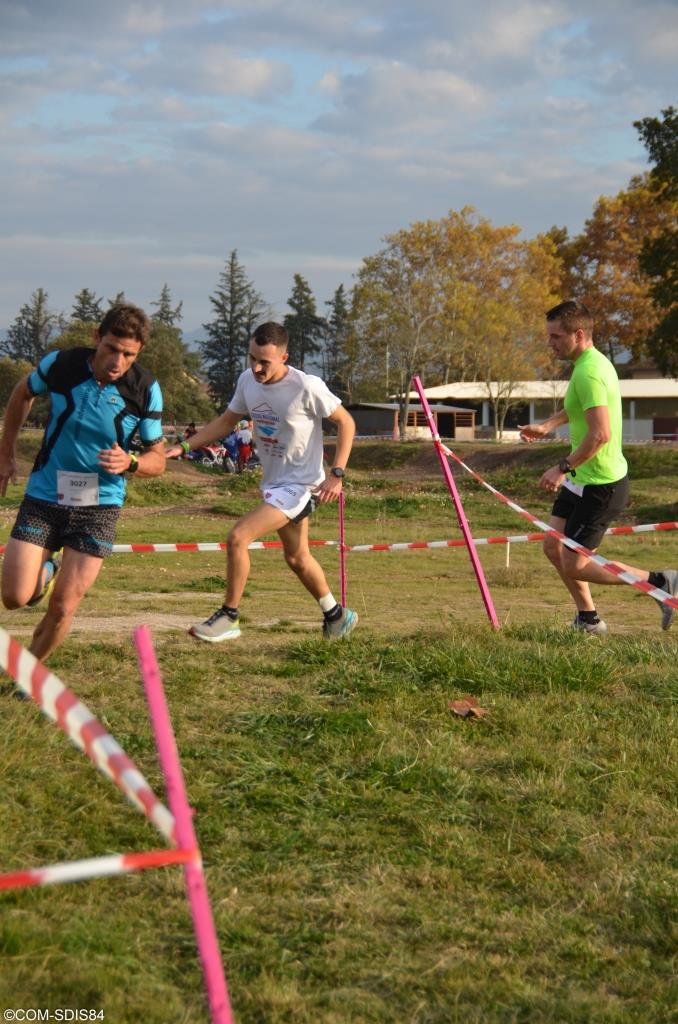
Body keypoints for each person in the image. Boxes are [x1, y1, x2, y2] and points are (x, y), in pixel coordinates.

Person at [166, 320, 358, 641]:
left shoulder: (307, 387)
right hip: (275, 484)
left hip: (301, 487)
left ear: (284, 357)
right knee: (297, 557)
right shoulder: (247, 381)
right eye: (252, 358)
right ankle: (336, 615)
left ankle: (229, 617)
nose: (256, 367)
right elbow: (227, 421)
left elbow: (346, 423)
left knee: (238, 537)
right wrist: (184, 446)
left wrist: (337, 474)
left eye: (264, 361)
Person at [0, 303, 166, 661]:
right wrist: (6, 453)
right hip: (44, 496)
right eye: (111, 349)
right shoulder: (63, 364)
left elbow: (158, 459)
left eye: (128, 354)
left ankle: (29, 676)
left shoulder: (145, 389)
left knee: (63, 606)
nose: (118, 361)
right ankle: (46, 570)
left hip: (99, 506)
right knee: (14, 597)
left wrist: (132, 461)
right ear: (97, 338)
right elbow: (21, 393)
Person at [519, 299, 677, 635]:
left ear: (578, 334)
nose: (550, 343)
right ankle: (588, 620)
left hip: (601, 484)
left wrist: (561, 467)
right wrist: (548, 425)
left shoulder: (589, 371)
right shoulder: (590, 364)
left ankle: (660, 581)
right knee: (553, 546)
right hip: (582, 478)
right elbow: (582, 408)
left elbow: (601, 434)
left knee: (575, 564)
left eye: (556, 337)